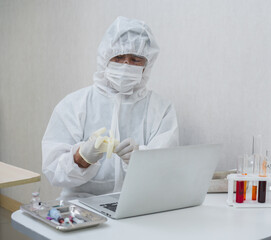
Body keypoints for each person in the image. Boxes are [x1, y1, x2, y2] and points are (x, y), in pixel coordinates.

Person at [42, 16, 179, 200]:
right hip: (82, 205)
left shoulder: (161, 109)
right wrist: (81, 158)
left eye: (135, 59)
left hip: (139, 205)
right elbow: (53, 170)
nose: (125, 65)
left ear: (147, 65)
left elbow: (168, 170)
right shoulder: (74, 105)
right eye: (119, 57)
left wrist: (141, 159)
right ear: (105, 58)